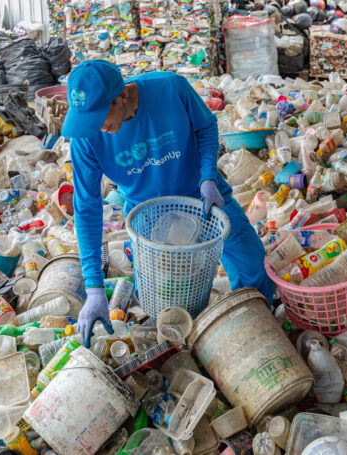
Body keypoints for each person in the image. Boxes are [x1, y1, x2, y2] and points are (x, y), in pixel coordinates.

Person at [62, 60, 274, 347]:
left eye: (101, 116)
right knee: (164, 301)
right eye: (88, 120)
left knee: (255, 267)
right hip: (149, 217)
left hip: (203, 196)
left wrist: (208, 177)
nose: (97, 126)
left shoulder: (170, 88)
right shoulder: (86, 139)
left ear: (123, 95)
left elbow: (206, 127)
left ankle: (258, 334)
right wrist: (95, 288)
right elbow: (86, 208)